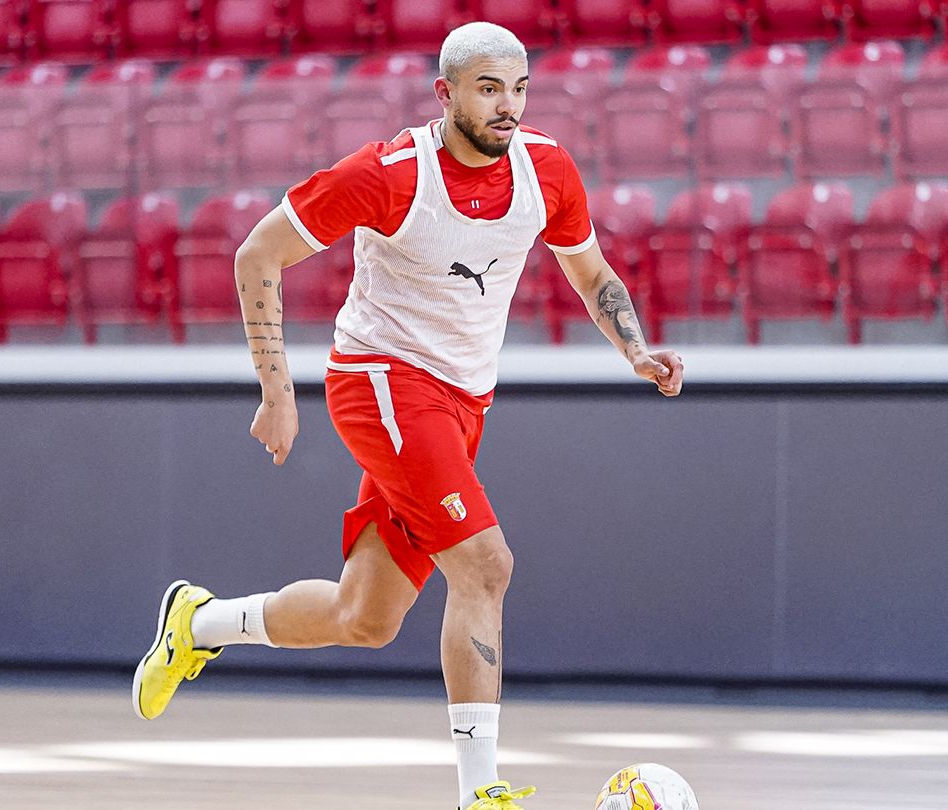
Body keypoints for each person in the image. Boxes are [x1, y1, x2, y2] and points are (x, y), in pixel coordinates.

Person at [131, 21, 684, 810]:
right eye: (489, 89)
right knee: (485, 566)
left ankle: (199, 623)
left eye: (519, 89)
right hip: (382, 381)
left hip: (462, 401)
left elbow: (591, 272)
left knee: (366, 616)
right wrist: (277, 390)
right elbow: (257, 254)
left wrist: (634, 349)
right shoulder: (389, 173)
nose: (508, 105)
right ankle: (481, 793)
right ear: (445, 93)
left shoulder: (548, 170)